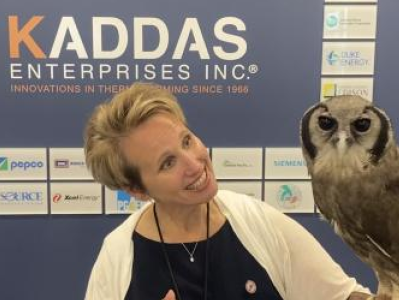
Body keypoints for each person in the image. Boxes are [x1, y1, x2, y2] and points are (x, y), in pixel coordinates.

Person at [83, 82, 372, 300]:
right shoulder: (119, 255)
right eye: (167, 163)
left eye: (186, 141)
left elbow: (344, 296)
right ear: (137, 190)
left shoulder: (259, 224)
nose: (194, 163)